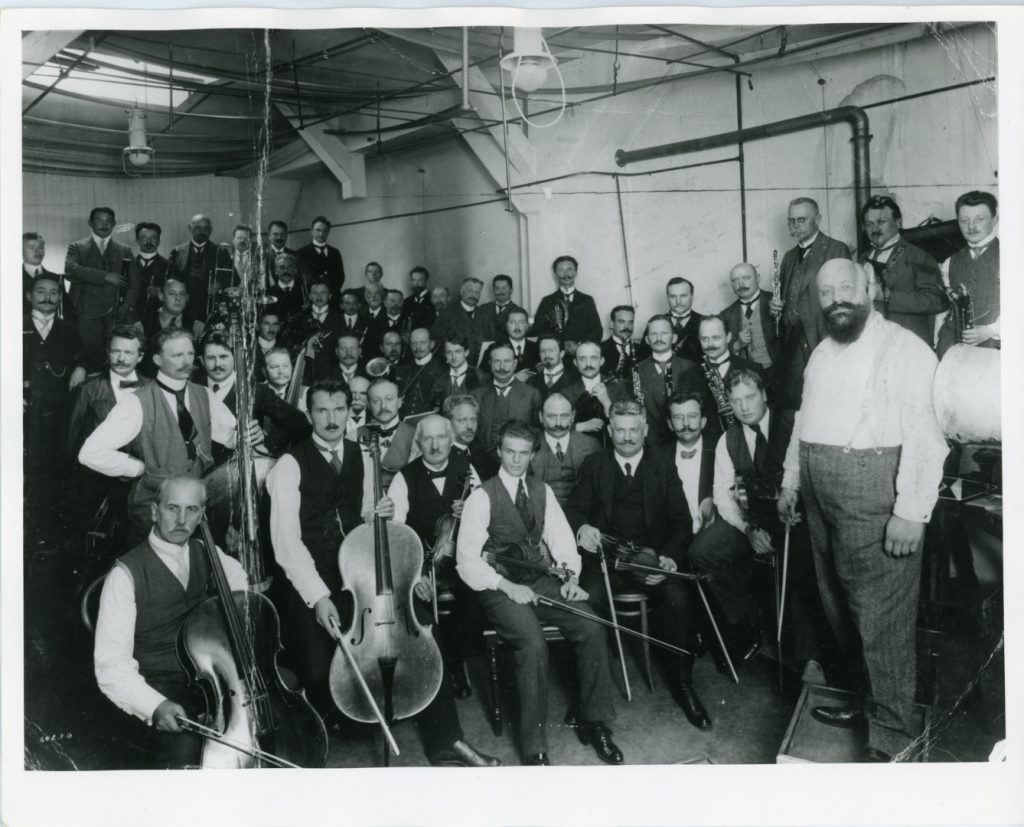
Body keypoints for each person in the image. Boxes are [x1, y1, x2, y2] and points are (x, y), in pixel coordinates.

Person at [266, 380, 499, 767]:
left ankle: (446, 739)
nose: (331, 419)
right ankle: (335, 728)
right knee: (319, 668)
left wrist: (381, 515)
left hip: (358, 568)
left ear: (349, 411)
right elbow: (286, 544)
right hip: (309, 578)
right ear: (309, 414)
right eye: (322, 410)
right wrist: (318, 596)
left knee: (421, 624)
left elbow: (368, 519)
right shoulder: (290, 465)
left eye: (339, 409)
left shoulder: (364, 455)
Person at [778, 258, 948, 762]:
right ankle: (863, 702)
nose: (836, 300)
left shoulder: (905, 350)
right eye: (826, 293)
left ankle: (892, 737)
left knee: (882, 619)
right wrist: (791, 481)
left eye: (846, 288)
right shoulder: (821, 355)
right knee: (839, 609)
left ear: (869, 287)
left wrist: (912, 511)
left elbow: (927, 434)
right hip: (819, 491)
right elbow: (803, 423)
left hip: (874, 495)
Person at [457, 420, 622, 765]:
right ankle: (535, 747)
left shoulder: (542, 490)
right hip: (496, 585)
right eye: (509, 452)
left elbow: (562, 541)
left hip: (538, 579)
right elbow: (466, 562)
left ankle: (594, 722)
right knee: (532, 643)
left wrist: (570, 578)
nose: (515, 460)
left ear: (533, 454)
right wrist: (506, 586)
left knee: (591, 624)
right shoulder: (481, 497)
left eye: (523, 453)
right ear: (500, 451)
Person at [567, 400, 710, 730]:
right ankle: (588, 696)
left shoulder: (662, 465)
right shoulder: (595, 464)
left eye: (635, 430)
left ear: (645, 430)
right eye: (620, 430)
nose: (628, 437)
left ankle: (683, 684)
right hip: (606, 564)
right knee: (585, 604)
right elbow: (574, 511)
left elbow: (680, 521)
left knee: (678, 601)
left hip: (650, 562)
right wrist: (583, 528)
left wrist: (669, 557)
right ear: (611, 430)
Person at [93, 476, 248, 769]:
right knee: (188, 748)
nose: (181, 519)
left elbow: (241, 586)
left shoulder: (208, 552)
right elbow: (111, 666)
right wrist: (154, 705)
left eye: (192, 510)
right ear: (154, 511)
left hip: (209, 680)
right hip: (158, 685)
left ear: (202, 515)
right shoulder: (125, 575)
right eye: (172, 508)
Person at [79, 328, 241, 542]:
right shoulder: (136, 402)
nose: (186, 361)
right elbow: (90, 453)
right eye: (177, 355)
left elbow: (232, 437)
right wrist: (138, 468)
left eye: (190, 354)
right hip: (153, 513)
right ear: (157, 359)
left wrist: (246, 436)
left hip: (196, 513)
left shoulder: (204, 395)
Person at [389, 414, 482, 698]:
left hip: (462, 559)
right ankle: (433, 670)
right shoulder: (404, 477)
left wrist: (471, 512)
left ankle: (456, 663)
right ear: (418, 442)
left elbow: (485, 519)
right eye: (427, 438)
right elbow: (397, 534)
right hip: (421, 563)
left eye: (441, 437)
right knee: (419, 604)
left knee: (475, 597)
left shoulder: (467, 470)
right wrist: (414, 575)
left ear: (451, 439)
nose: (435, 444)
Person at [771, 197, 852, 409]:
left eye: (801, 220)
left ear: (818, 219)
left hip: (824, 342)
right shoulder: (788, 257)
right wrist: (776, 307)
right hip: (794, 347)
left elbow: (845, 304)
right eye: (791, 221)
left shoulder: (836, 249)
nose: (795, 225)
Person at [24, 273, 87, 535]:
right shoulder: (15, 325)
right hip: (26, 412)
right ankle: (30, 523)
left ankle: (54, 527)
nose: (47, 297)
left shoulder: (69, 330)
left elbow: (82, 356)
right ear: (29, 296)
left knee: (59, 466)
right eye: (41, 291)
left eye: (53, 292)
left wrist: (81, 367)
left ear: (60, 297)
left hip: (60, 412)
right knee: (31, 467)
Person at [199, 332, 310, 459]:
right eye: (211, 358)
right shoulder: (193, 389)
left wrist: (267, 442)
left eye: (223, 357)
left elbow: (299, 421)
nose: (218, 364)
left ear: (235, 358)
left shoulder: (256, 390)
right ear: (202, 360)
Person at [857, 194, 947, 345]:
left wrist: (887, 295)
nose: (875, 229)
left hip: (907, 346)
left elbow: (937, 301)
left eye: (882, 222)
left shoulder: (920, 257)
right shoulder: (862, 259)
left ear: (899, 222)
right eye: (869, 224)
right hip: (872, 344)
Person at [64, 206, 135, 370]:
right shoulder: (76, 247)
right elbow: (71, 269)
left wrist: (128, 305)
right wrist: (105, 276)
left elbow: (134, 282)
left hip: (115, 313)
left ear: (115, 224)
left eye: (109, 221)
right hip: (85, 312)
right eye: (99, 220)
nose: (104, 225)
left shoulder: (125, 249)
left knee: (115, 354)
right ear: (90, 223)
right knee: (89, 355)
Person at [69, 325, 149, 458]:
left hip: (146, 472)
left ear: (140, 357)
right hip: (99, 474)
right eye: (115, 351)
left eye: (128, 353)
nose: (121, 359)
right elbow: (72, 440)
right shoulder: (87, 390)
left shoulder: (152, 388)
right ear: (107, 353)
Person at [937, 190, 1000, 356]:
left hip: (994, 349)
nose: (971, 226)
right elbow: (945, 310)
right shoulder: (950, 262)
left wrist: (991, 330)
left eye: (979, 219)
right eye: (964, 220)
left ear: (995, 220)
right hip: (953, 349)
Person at [632, 315, 703, 446]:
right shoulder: (636, 371)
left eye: (664, 333)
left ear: (674, 338)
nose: (659, 338)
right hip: (650, 445)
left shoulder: (691, 367)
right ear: (647, 340)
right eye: (654, 334)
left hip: (686, 441)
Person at [697, 315, 764, 441]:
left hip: (751, 444)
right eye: (704, 339)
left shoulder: (753, 368)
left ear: (728, 337)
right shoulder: (689, 376)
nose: (710, 344)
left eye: (716, 338)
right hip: (710, 448)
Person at [529, 393, 600, 507]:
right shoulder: (528, 445)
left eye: (564, 416)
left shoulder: (592, 445)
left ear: (573, 416)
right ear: (541, 417)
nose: (558, 423)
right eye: (551, 416)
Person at [471, 345, 542, 453]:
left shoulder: (532, 394)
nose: (502, 367)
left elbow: (538, 433)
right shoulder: (476, 395)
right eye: (497, 361)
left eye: (507, 361)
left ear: (515, 364)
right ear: (490, 364)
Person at [530, 255, 602, 349]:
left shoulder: (587, 300)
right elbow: (538, 330)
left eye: (569, 269)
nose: (566, 274)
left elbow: (597, 331)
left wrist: (579, 345)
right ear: (555, 274)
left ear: (576, 272)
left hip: (580, 354)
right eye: (561, 270)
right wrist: (558, 345)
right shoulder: (547, 301)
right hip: (555, 354)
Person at [358, 378, 418, 488]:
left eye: (389, 399)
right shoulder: (354, 436)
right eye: (376, 401)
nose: (383, 406)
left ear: (400, 402)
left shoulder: (417, 436)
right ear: (368, 405)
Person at [282, 279, 344, 383]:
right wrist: (299, 348)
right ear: (310, 296)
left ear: (330, 296)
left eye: (323, 293)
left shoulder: (340, 320)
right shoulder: (299, 318)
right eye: (315, 293)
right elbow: (288, 342)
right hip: (304, 371)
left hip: (331, 372)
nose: (319, 296)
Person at [721, 262, 779, 373]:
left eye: (746, 277)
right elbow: (720, 350)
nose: (741, 284)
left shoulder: (776, 302)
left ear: (758, 278)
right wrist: (736, 345)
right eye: (735, 280)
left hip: (778, 373)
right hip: (747, 377)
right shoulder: (726, 315)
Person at [167, 214, 219, 322]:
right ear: (190, 229)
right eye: (197, 228)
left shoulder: (220, 252)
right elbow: (168, 279)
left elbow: (234, 278)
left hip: (210, 307)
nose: (201, 232)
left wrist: (220, 284)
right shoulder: (177, 251)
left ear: (211, 230)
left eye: (206, 228)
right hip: (184, 307)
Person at [431, 277, 486, 365]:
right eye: (470, 290)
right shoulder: (447, 313)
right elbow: (436, 343)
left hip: (477, 369)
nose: (473, 295)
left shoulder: (483, 314)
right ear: (461, 291)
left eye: (477, 292)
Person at [443, 393, 498, 480]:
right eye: (462, 420)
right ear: (447, 423)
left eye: (473, 420)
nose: (470, 426)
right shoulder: (442, 457)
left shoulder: (477, 449)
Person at [124, 222, 167, 327]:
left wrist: (161, 291)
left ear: (159, 241)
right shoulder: (127, 265)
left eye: (153, 238)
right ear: (137, 241)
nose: (148, 242)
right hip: (132, 321)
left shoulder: (169, 266)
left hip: (159, 322)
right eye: (144, 238)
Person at [429, 331, 486, 408]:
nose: (453, 357)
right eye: (449, 352)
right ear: (445, 355)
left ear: (466, 352)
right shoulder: (439, 379)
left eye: (458, 351)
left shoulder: (480, 377)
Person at [396, 327, 444, 418]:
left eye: (422, 342)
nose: (418, 347)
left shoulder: (442, 369)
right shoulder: (402, 369)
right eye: (414, 343)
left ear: (432, 344)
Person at [295, 216, 345, 299]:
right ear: (311, 231)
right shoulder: (301, 253)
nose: (321, 234)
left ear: (328, 232)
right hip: (313, 298)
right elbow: (308, 278)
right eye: (318, 230)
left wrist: (329, 294)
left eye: (324, 231)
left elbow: (340, 277)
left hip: (333, 297)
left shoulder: (335, 252)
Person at [481, 308, 538, 375]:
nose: (517, 327)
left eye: (521, 322)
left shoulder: (537, 348)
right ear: (506, 326)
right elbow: (483, 377)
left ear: (527, 326)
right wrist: (513, 379)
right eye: (512, 322)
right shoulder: (494, 348)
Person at [23, 231, 65, 318]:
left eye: (41, 248)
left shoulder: (56, 278)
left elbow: (67, 309)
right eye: (32, 248)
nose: (38, 252)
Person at [664, 278, 703, 363]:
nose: (678, 301)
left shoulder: (704, 322)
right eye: (673, 296)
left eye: (683, 296)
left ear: (692, 296)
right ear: (667, 297)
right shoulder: (655, 324)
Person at [477, 274, 526, 342]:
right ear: (493, 290)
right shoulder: (482, 309)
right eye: (497, 288)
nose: (500, 292)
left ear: (511, 290)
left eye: (504, 288)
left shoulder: (519, 311)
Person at [526, 334, 575, 399]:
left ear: (562, 354)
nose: (547, 355)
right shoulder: (531, 382)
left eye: (551, 350)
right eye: (543, 351)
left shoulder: (574, 380)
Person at [600, 305, 639, 379]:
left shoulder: (642, 349)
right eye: (621, 322)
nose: (627, 326)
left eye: (630, 322)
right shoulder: (599, 350)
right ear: (612, 324)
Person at [264, 252, 306, 321]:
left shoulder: (304, 290)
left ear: (295, 270)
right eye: (282, 267)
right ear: (275, 271)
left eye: (290, 267)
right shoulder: (268, 293)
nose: (286, 271)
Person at [403, 266, 436, 332]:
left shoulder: (433, 300)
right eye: (413, 280)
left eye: (420, 280)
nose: (416, 284)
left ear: (426, 281)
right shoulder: (406, 301)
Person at [264, 220, 295, 286]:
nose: (279, 237)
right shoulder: (262, 256)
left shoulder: (295, 255)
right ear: (269, 235)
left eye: (282, 234)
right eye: (275, 234)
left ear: (286, 236)